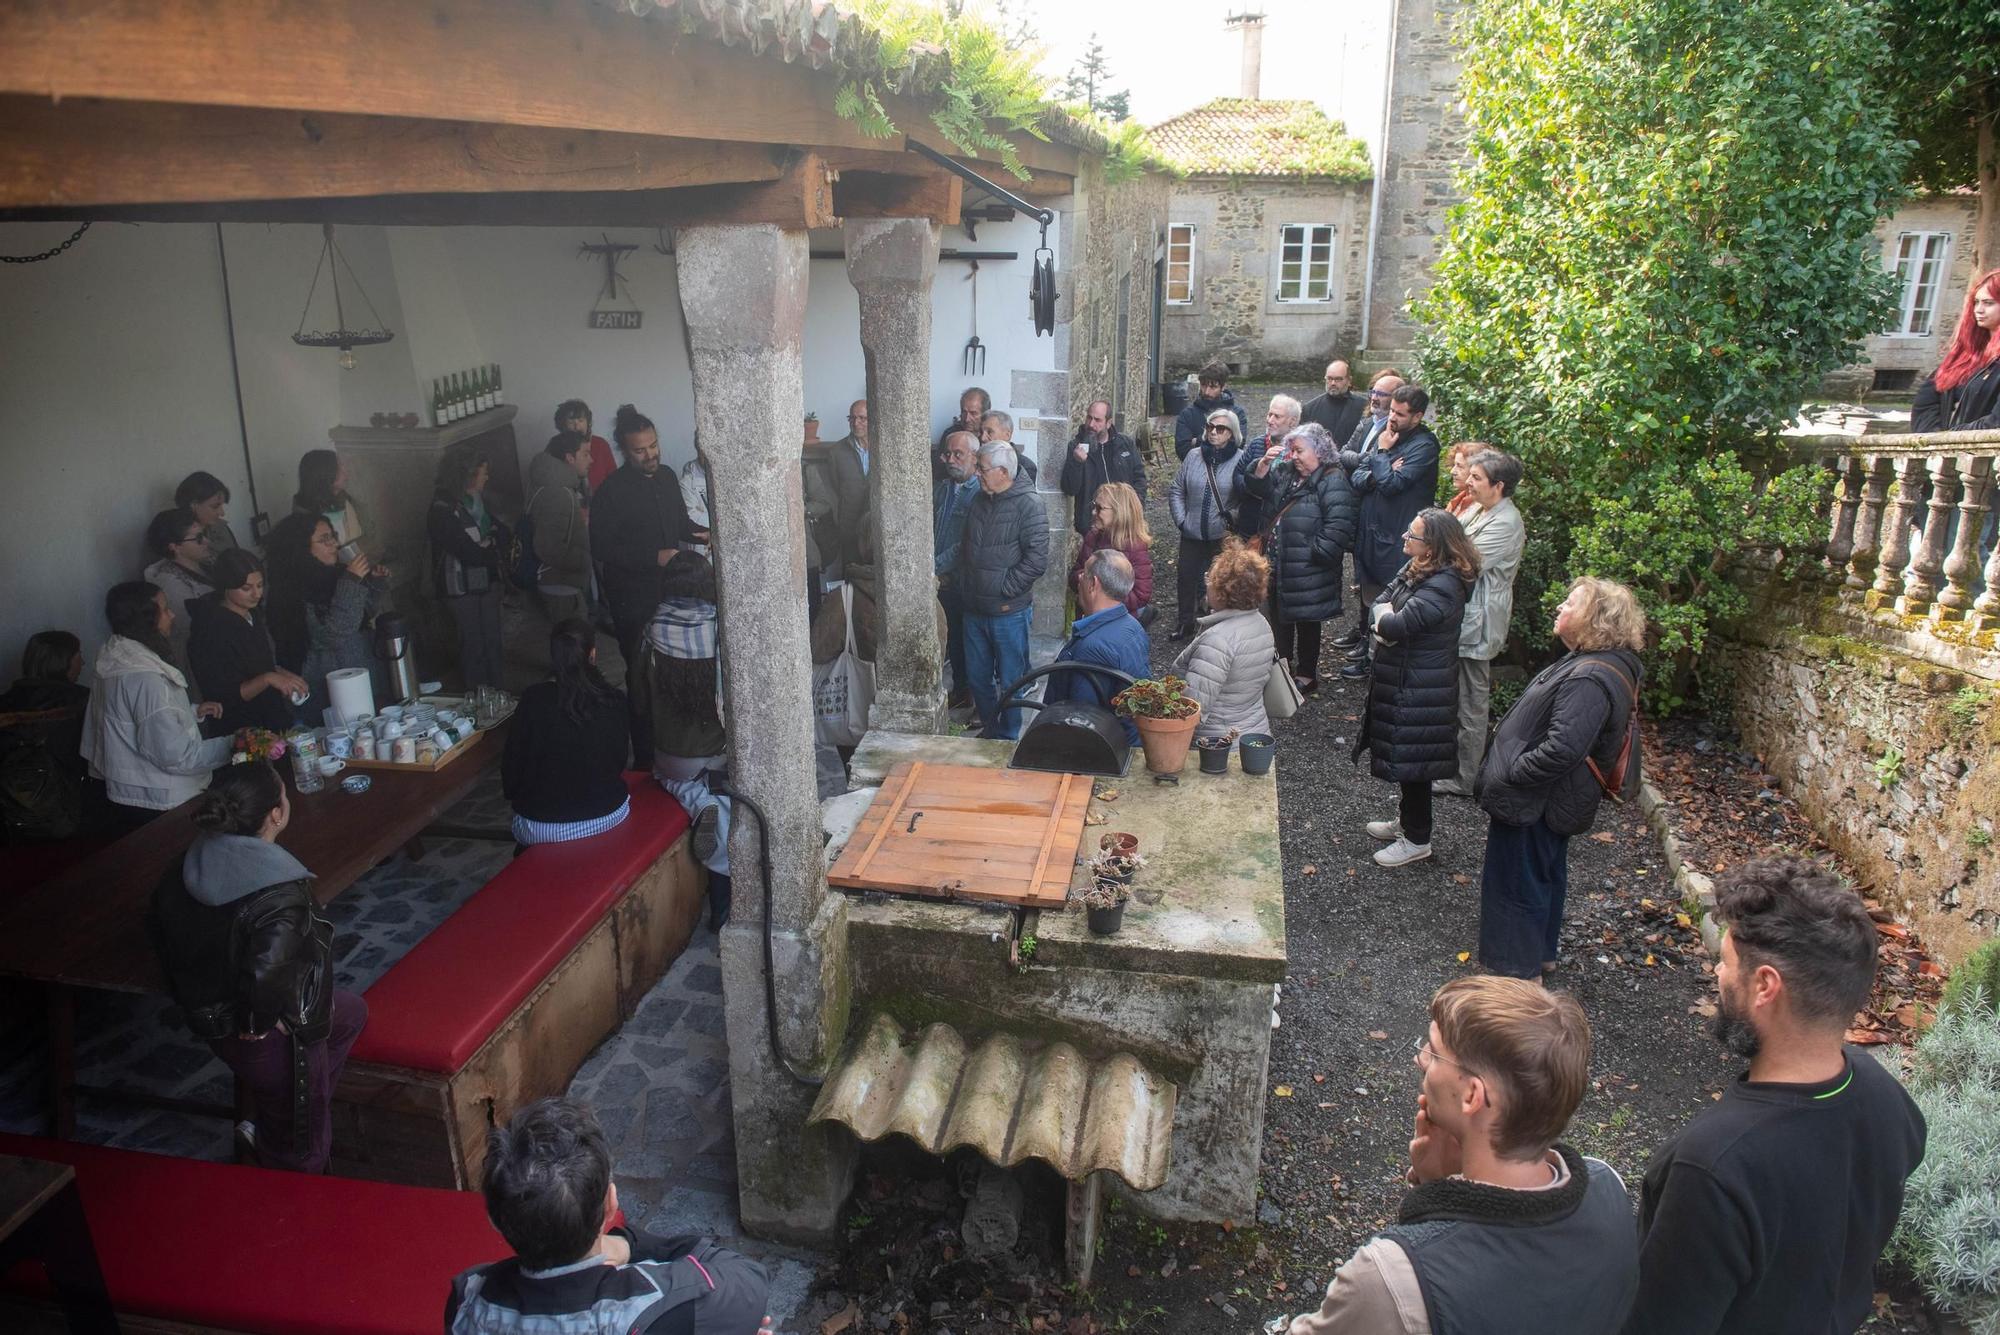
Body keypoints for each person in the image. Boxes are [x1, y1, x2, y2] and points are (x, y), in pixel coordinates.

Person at [1622, 858, 1927, 1335]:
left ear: (1765, 985)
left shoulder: (1713, 1167)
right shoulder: (1885, 1095)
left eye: (1725, 961)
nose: (1718, 974)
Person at [1283, 977, 1638, 1334]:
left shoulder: (1388, 1279)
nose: (1420, 1059)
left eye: (1434, 1052)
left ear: (1472, 1095)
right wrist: (1439, 1189)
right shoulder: (1608, 1187)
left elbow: (1436, 1274)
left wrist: (1429, 1202)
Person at [147, 760, 366, 1173]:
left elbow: (157, 929)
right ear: (276, 814)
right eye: (283, 793)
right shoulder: (279, 893)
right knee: (306, 1151)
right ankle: (287, 1146)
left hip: (214, 1019)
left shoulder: (189, 862)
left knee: (352, 1013)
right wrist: (260, 1021)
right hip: (262, 1034)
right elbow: (263, 976)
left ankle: (277, 1115)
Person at [447, 1098, 772, 1334]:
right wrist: (627, 1245)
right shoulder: (662, 1302)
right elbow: (749, 1278)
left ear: (495, 1221)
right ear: (611, 1204)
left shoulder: (467, 1299)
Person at [1474, 576, 1644, 977]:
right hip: (1549, 801)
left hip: (1537, 801)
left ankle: (1516, 975)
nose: (1559, 608)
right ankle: (1539, 955)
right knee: (1542, 875)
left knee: (1518, 882)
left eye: (1569, 604)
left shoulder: (1590, 676)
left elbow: (1563, 749)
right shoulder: (1598, 662)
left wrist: (1513, 771)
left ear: (1594, 619)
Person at [1356, 508, 1477, 869]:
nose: (1404, 539)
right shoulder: (1418, 569)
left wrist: (1385, 625)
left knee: (1416, 763)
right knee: (1409, 759)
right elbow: (1379, 603)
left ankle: (1417, 839)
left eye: (1413, 536)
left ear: (1433, 546)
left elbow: (1394, 625)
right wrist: (1385, 621)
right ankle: (1407, 822)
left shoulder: (1444, 584)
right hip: (1408, 679)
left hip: (1422, 686)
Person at [591, 405, 705, 769]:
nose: (650, 454)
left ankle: (674, 747)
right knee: (640, 674)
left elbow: (679, 521)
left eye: (653, 446)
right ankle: (643, 760)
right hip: (632, 597)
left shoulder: (668, 477)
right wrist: (653, 556)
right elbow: (602, 547)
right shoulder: (612, 490)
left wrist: (701, 534)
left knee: (671, 670)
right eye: (640, 450)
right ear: (625, 452)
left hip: (671, 594)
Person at [81, 583, 231, 831]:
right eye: (165, 609)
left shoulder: (115, 657)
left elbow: (135, 716)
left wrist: (191, 711)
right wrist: (234, 744)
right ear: (145, 618)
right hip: (161, 797)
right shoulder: (147, 678)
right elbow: (175, 755)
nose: (172, 615)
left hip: (130, 790)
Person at [639, 556, 734, 929]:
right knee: (727, 805)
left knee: (669, 777)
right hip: (717, 756)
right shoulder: (719, 632)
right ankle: (724, 909)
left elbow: (640, 701)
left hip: (671, 757)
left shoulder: (650, 632)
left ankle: (698, 798)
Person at [1244, 423, 1358, 694]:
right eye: (1291, 450)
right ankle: (1282, 670)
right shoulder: (1287, 472)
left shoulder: (1333, 479)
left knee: (1307, 621)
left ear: (1318, 451)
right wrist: (1259, 469)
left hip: (1308, 567)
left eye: (1299, 450)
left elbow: (1340, 525)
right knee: (1279, 617)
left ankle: (1307, 674)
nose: (1293, 456)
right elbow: (1259, 489)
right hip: (1280, 562)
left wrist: (1314, 554)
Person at [1442, 449, 1526, 797]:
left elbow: (1464, 560)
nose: (1468, 483)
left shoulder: (1506, 522)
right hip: (1465, 614)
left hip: (1481, 620)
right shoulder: (1480, 507)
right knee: (1455, 693)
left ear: (1499, 485)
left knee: (1472, 699)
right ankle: (1452, 764)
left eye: (1476, 478)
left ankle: (1464, 777)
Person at [1342, 384, 1440, 681]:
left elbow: (1393, 485)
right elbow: (1358, 476)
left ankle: (1377, 661)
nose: (1391, 418)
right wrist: (1382, 467)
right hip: (1371, 530)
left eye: (1399, 413)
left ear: (1418, 416)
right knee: (1368, 591)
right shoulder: (1387, 432)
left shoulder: (1424, 446)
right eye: (1392, 410)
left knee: (1390, 598)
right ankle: (1365, 642)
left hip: (1397, 536)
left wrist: (1382, 454)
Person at [503, 619, 631, 847]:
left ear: (554, 656)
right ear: (592, 654)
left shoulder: (533, 700)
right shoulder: (615, 700)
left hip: (541, 827)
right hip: (607, 815)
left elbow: (512, 773)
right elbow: (618, 762)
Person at [956, 441, 1048, 741]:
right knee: (978, 678)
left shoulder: (1029, 504)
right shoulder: (979, 500)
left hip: (1008, 612)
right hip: (973, 609)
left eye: (982, 469)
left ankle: (1007, 737)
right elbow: (966, 546)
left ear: (1003, 471)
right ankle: (991, 728)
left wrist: (1003, 589)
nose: (977, 475)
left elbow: (1036, 560)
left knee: (1011, 680)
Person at [265, 512, 387, 721]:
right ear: (302, 547)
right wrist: (350, 581)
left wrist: (374, 583)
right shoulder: (292, 591)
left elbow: (360, 614)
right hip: (327, 688)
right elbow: (333, 634)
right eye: (324, 539)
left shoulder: (337, 573)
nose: (334, 544)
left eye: (333, 536)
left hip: (358, 674)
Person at [188, 549, 308, 735]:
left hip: (272, 717)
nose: (256, 594)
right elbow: (224, 695)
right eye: (246, 588)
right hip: (243, 728)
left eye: (260, 585)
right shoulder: (211, 630)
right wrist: (268, 678)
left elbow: (260, 663)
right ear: (225, 586)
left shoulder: (251, 614)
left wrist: (285, 676)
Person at [1174, 539, 1276, 743]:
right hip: (1254, 732)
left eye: (1209, 579)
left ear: (1224, 590)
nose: (1207, 584)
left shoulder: (1217, 641)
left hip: (1218, 744)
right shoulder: (1260, 623)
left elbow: (1193, 708)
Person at [0, 630, 97, 839]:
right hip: (75, 813)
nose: (83, 663)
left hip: (11, 817)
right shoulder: (82, 700)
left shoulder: (5, 703)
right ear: (64, 662)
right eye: (78, 656)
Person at [1046, 550, 1150, 744]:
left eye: (1084, 574)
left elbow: (1080, 724)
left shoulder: (1092, 648)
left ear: (1093, 584)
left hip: (1102, 755)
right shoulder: (1132, 625)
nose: (1079, 578)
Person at [427, 443, 505, 690]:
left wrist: (490, 542)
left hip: (486, 582)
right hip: (460, 589)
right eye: (483, 472)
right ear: (468, 475)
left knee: (492, 639)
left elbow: (500, 530)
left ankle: (499, 693)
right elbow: (467, 550)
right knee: (472, 643)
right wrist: (491, 545)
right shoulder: (442, 509)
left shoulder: (479, 501)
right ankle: (480, 695)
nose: (487, 476)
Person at [1167, 409, 1246, 640]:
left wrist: (1233, 517)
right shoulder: (1193, 456)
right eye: (1210, 427)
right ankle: (1185, 623)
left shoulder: (1241, 459)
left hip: (1221, 534)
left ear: (1232, 434)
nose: (1213, 432)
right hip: (1191, 532)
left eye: (1220, 429)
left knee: (1221, 581)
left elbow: (1247, 497)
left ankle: (1218, 628)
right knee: (1186, 578)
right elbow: (1176, 489)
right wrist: (1182, 520)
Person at [1912, 267, 2000, 432]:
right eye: (1976, 302)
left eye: (1989, 303)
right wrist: (1934, 438)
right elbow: (1927, 401)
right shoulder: (1968, 353)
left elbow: (1996, 421)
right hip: (1948, 452)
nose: (1979, 310)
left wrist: (1952, 437)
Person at [933, 430, 982, 710]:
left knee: (969, 642)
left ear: (974, 458)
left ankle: (974, 696)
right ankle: (961, 690)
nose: (951, 459)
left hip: (961, 579)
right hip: (940, 580)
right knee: (952, 641)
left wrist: (934, 565)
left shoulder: (978, 494)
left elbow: (965, 543)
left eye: (958, 454)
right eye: (948, 454)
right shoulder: (942, 488)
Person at [142, 506, 215, 681]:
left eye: (204, 534)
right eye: (198, 538)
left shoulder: (205, 563)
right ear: (174, 547)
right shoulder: (168, 583)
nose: (207, 541)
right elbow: (189, 627)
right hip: (198, 660)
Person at [530, 429, 594, 622]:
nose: (591, 460)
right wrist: (585, 558)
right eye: (585, 454)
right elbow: (549, 546)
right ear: (570, 458)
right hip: (560, 586)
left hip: (564, 584)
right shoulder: (557, 493)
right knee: (572, 643)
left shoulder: (561, 486)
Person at [1059, 399, 1147, 536]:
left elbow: (1139, 478)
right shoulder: (1076, 447)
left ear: (1108, 422)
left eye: (1097, 420)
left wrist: (1134, 508)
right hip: (1093, 526)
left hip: (1124, 523)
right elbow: (1070, 489)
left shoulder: (1125, 444)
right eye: (1089, 417)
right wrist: (1077, 462)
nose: (1091, 424)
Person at [1069, 481, 1153, 621]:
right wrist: (1083, 578)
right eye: (1094, 506)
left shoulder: (1135, 546)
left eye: (1100, 508)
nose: (1093, 512)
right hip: (1087, 618)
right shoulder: (1093, 536)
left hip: (1115, 622)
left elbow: (1141, 595)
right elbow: (1074, 574)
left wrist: (1102, 596)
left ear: (1120, 512)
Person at [1232, 394, 1302, 537]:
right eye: (1269, 414)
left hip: (1282, 531)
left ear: (1292, 421)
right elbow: (1237, 475)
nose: (1270, 420)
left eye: (1277, 416)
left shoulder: (1301, 451)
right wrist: (1253, 489)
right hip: (1251, 526)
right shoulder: (1257, 443)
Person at [827, 398, 873, 570]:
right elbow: (834, 487)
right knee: (851, 578)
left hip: (876, 528)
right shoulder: (836, 453)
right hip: (849, 529)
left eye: (862, 418)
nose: (856, 423)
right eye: (852, 418)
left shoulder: (883, 448)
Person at [293, 449, 370, 550]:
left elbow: (369, 538)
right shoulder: (304, 520)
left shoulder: (349, 503)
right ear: (324, 475)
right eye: (339, 467)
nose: (345, 470)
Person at [1173, 360, 1247, 460]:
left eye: (1213, 387)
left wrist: (1197, 441)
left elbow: (1238, 444)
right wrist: (1221, 439)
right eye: (1203, 385)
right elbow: (1183, 451)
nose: (1207, 392)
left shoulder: (1237, 414)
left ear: (1223, 386)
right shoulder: (1187, 415)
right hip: (1196, 471)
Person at [556, 399, 620, 495]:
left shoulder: (600, 444)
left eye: (581, 420)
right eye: (571, 422)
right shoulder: (556, 446)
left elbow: (614, 478)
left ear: (588, 422)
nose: (577, 426)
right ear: (563, 425)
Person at [174, 471, 240, 562]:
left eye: (222, 506)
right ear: (194, 505)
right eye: (215, 506)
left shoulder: (219, 527)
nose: (222, 513)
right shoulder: (181, 539)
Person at [1299, 359, 1365, 446]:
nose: (1333, 383)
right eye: (1329, 379)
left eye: (1338, 379)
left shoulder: (1364, 407)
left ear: (1349, 381)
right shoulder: (1310, 408)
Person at [937, 386, 990, 480]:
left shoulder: (991, 437)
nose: (967, 419)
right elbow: (940, 471)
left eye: (973, 413)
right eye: (964, 412)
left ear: (985, 414)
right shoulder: (951, 434)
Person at [977, 410, 1037, 483]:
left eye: (989, 432)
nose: (982, 438)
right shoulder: (976, 461)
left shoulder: (1025, 467)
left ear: (1007, 435)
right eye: (981, 432)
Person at [1441, 440, 1483, 516]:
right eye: (1454, 465)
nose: (1452, 471)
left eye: (1459, 466)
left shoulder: (1482, 506)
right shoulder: (1458, 499)